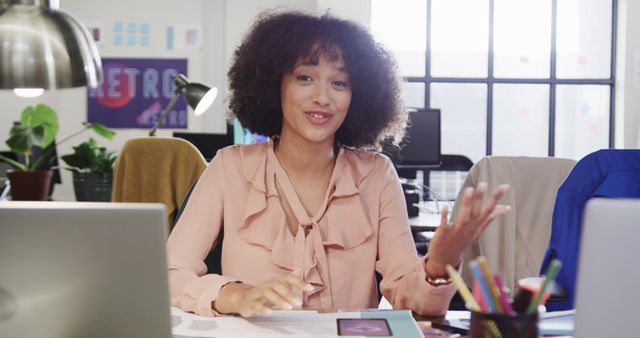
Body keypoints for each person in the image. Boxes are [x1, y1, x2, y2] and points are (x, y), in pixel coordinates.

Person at [167, 9, 510, 318]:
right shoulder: (230, 167)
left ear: (356, 95)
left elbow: (415, 304)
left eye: (339, 82)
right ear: (275, 85)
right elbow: (167, 274)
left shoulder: (376, 176)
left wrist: (437, 266)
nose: (323, 97)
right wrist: (235, 295)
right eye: (305, 77)